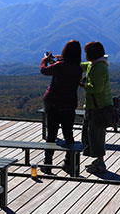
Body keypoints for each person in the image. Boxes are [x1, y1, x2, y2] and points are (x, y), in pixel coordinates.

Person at [40, 40, 82, 174]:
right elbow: (65, 72)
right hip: (69, 104)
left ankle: (48, 163)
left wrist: (44, 60)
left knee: (51, 135)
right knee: (68, 134)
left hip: (53, 103)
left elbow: (44, 71)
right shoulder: (78, 68)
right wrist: (57, 62)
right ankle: (69, 163)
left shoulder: (60, 65)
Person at [80, 41, 111, 173]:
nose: (85, 55)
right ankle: (98, 161)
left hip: (98, 107)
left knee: (96, 135)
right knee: (91, 134)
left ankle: (100, 164)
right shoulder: (95, 64)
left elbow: (96, 89)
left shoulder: (99, 68)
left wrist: (81, 84)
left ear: (92, 54)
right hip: (94, 106)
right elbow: (83, 65)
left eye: (86, 52)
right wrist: (65, 59)